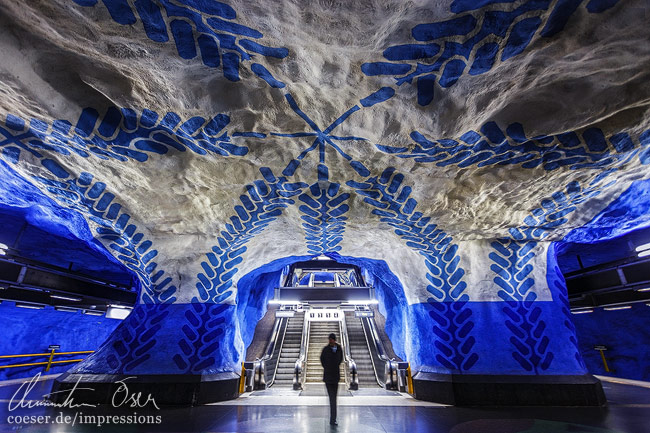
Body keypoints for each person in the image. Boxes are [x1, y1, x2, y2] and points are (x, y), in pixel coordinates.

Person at [320, 332, 343, 426]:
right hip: (328, 378)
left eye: (331, 339)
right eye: (329, 339)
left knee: (334, 399)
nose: (330, 341)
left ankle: (333, 419)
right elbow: (322, 359)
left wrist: (333, 365)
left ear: (334, 340)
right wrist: (328, 367)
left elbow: (340, 359)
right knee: (332, 399)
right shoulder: (326, 349)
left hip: (335, 377)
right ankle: (332, 419)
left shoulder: (339, 349)